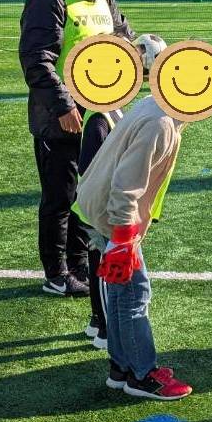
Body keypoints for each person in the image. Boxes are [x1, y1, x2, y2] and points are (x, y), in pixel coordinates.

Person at [19, 0, 135, 298]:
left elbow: (124, 44)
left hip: (99, 121)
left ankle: (80, 265)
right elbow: (37, 59)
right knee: (60, 198)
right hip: (60, 121)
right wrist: (64, 106)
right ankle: (56, 273)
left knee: (90, 194)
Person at [74, 92, 192, 401]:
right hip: (111, 214)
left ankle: (121, 367)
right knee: (133, 293)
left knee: (120, 292)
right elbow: (126, 185)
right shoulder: (161, 124)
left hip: (102, 207)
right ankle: (141, 375)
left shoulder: (157, 105)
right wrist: (124, 238)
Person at [77, 34, 167, 352]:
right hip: (108, 214)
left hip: (114, 212)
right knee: (123, 288)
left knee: (119, 285)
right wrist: (124, 232)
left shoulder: (132, 110)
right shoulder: (103, 118)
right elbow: (103, 173)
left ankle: (115, 352)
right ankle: (108, 335)